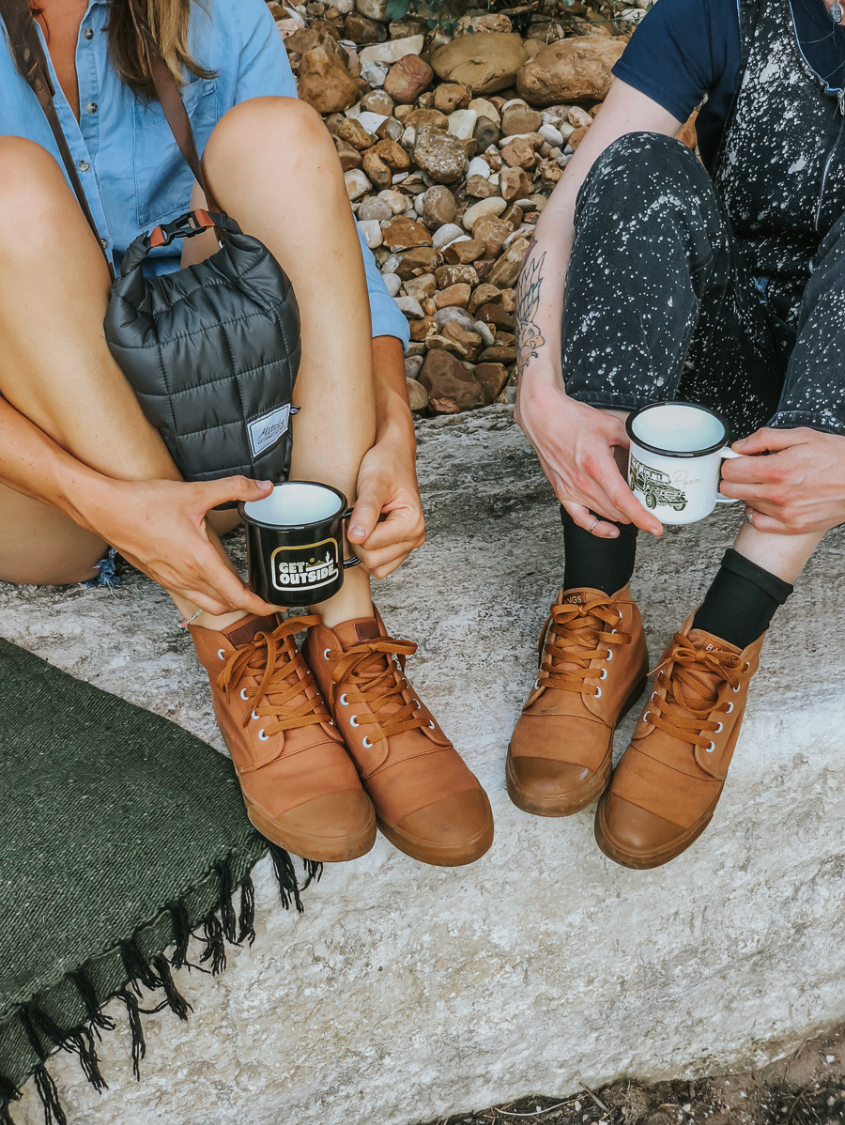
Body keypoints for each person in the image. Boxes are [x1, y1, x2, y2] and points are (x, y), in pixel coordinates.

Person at [0, 0, 493, 868]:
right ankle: (228, 628)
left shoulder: (217, 14)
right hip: (55, 478)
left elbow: (330, 253)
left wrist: (392, 431)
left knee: (275, 137)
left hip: (236, 416)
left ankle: (340, 618)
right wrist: (103, 499)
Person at [510, 0, 845, 868]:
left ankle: (721, 645)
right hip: (723, 358)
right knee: (633, 168)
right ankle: (597, 608)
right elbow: (571, 207)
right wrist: (537, 384)